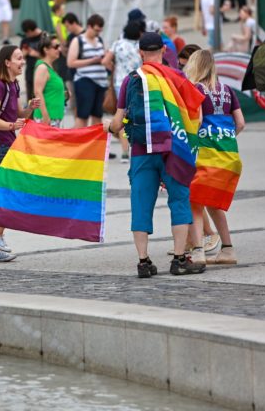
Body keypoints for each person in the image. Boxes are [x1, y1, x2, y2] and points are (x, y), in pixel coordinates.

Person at [103, 32, 206, 278]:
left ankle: (143, 261)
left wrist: (108, 126)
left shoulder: (130, 80)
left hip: (141, 151)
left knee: (140, 204)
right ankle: (180, 259)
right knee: (179, 200)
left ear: (140, 53)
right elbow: (196, 116)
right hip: (173, 151)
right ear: (163, 50)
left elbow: (117, 124)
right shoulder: (177, 77)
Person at [184, 50, 246, 264]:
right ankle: (228, 250)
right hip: (229, 158)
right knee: (212, 204)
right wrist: (224, 139)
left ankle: (198, 250)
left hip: (206, 156)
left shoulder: (195, 89)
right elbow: (241, 123)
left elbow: (197, 120)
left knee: (194, 203)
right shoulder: (228, 90)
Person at [0, 45, 40, 262]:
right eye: (18, 58)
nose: (22, 61)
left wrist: (30, 108)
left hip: (7, 144)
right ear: (6, 62)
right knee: (17, 192)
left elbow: (19, 114)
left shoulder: (13, 85)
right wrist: (11, 126)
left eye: (22, 58)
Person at [102, 22, 141, 163]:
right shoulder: (139, 46)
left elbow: (105, 61)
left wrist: (114, 68)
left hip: (120, 84)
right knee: (134, 118)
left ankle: (124, 152)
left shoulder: (117, 44)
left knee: (122, 117)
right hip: (137, 84)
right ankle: (134, 149)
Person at [67, 14, 108, 128]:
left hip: (101, 82)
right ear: (89, 26)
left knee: (97, 115)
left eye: (100, 30)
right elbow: (71, 62)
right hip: (85, 80)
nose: (98, 33)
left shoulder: (99, 40)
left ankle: (95, 143)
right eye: (96, 30)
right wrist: (92, 60)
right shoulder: (78, 40)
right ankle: (79, 141)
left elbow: (103, 59)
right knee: (83, 115)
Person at [33, 33, 64, 127]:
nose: (59, 49)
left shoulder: (50, 67)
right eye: (56, 47)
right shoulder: (42, 68)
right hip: (48, 118)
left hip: (54, 117)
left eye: (59, 46)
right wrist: (45, 116)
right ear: (46, 49)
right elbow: (37, 92)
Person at [61, 13, 83, 120]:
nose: (67, 29)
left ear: (73, 23)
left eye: (67, 26)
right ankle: (78, 127)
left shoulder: (85, 35)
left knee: (84, 103)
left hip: (83, 74)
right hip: (71, 74)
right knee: (74, 104)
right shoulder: (70, 37)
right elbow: (67, 55)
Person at [19, 19, 43, 102]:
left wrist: (37, 54)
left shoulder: (44, 37)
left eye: (27, 33)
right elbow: (20, 58)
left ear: (29, 31)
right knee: (30, 96)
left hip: (43, 70)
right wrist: (23, 54)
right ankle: (30, 114)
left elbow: (51, 55)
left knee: (42, 95)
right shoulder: (25, 40)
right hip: (30, 71)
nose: (26, 35)